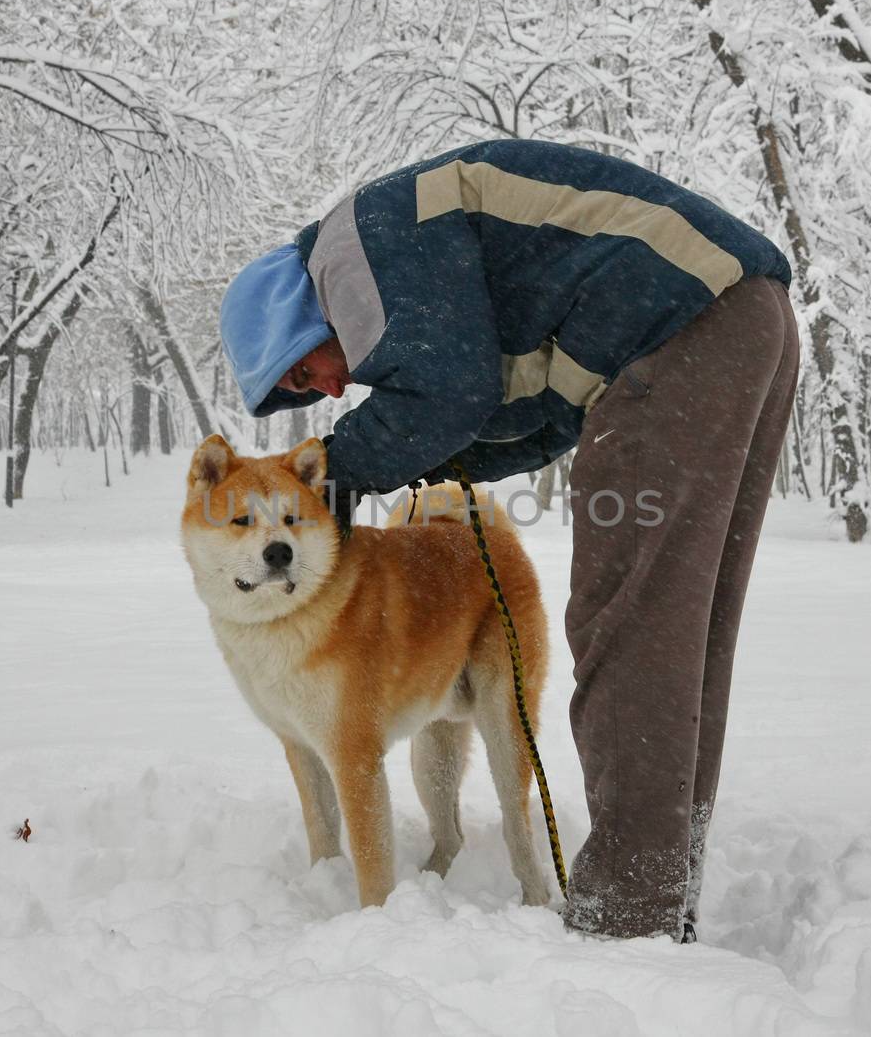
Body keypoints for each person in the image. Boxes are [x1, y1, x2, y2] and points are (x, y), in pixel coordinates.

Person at [217, 139, 799, 942]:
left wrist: (331, 483)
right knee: (685, 626)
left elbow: (454, 389)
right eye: (302, 393)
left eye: (301, 371)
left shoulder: (366, 244)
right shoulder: (407, 272)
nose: (328, 387)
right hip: (742, 317)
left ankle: (629, 915)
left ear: (299, 312)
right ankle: (661, 888)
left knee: (629, 621)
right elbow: (521, 418)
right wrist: (427, 456)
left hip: (682, 335)